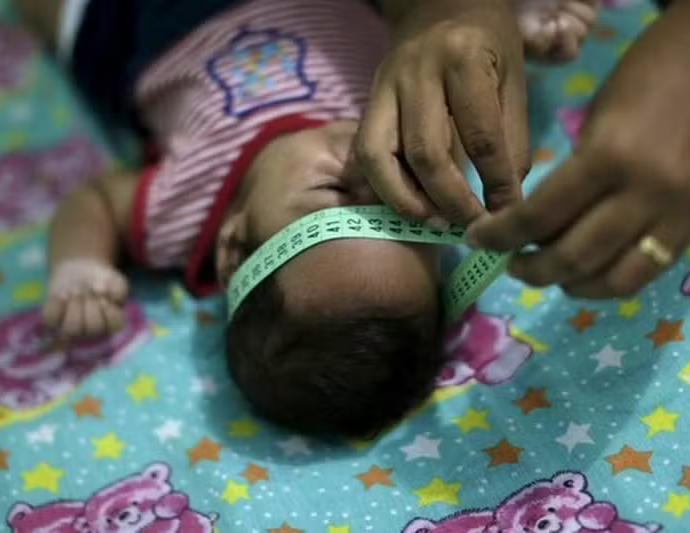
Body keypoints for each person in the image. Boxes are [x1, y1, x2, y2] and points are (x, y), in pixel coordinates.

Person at [18, 0, 596, 437]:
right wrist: (511, 34)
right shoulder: (409, 135)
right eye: (403, 204)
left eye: (332, 190)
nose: (369, 169)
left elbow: (94, 202)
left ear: (234, 245)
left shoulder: (183, 208)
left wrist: (80, 267)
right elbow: (451, 51)